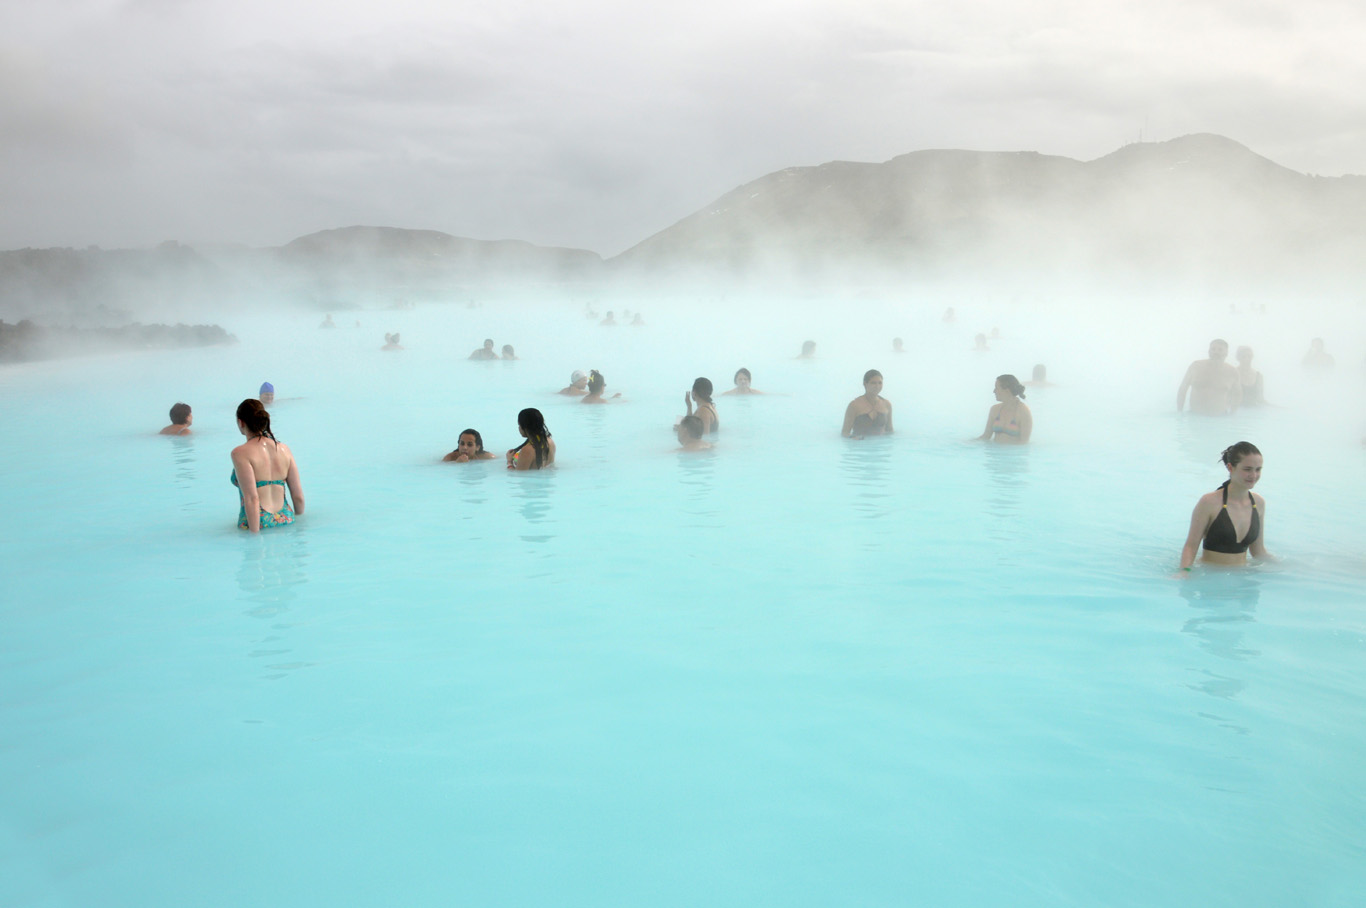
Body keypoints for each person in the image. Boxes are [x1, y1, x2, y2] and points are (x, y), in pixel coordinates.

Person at [1179, 441, 1274, 570]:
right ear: (1230, 467)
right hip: (1211, 576)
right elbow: (1191, 546)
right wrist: (1184, 571)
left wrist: (1290, 568)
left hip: (1243, 580)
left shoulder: (1258, 503)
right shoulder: (1209, 502)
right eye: (1247, 469)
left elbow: (1258, 552)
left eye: (1258, 469)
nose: (1254, 475)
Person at [230, 398, 304, 532]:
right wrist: (300, 522)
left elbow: (252, 498)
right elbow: (298, 496)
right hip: (286, 519)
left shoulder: (240, 453)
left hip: (257, 523)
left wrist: (254, 537)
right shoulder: (284, 449)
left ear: (241, 422)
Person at [1177, 339, 1241, 414]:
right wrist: (1179, 412)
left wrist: (1232, 414)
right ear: (1209, 351)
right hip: (1195, 417)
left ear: (1226, 353)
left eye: (1220, 350)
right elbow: (1183, 389)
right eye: (1213, 349)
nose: (1216, 352)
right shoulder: (1196, 366)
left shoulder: (1232, 372)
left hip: (1220, 419)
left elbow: (1237, 395)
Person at [976, 374, 1032, 444]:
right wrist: (966, 444)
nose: (994, 391)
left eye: (996, 388)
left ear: (1007, 390)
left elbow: (1024, 442)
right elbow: (986, 436)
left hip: (1013, 453)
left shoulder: (1023, 411)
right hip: (994, 453)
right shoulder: (994, 409)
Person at [842, 369, 893, 437]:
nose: (877, 386)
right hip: (860, 445)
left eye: (880, 383)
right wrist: (852, 438)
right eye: (873, 383)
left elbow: (890, 430)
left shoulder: (886, 404)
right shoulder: (854, 405)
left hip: (881, 445)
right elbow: (845, 432)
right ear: (865, 384)